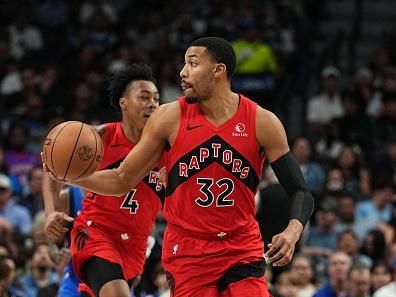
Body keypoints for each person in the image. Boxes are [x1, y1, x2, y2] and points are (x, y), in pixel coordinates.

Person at [47, 37, 314, 297]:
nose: (183, 72)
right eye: (184, 64)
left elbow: (300, 190)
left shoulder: (262, 122)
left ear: (218, 70)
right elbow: (121, 179)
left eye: (193, 63)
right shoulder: (168, 117)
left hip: (240, 245)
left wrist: (293, 230)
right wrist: (73, 176)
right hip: (188, 250)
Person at [43, 63, 165, 297]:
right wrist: (50, 212)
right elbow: (53, 168)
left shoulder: (165, 147)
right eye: (144, 97)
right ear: (124, 103)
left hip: (136, 244)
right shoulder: (99, 137)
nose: (152, 103)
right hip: (95, 232)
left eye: (156, 99)